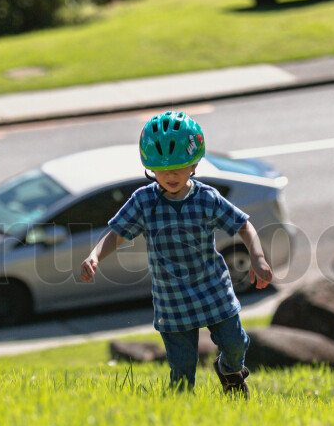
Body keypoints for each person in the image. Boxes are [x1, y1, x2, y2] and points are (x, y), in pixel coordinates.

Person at [79, 111, 273, 397]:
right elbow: (118, 233)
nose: (170, 175)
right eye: (161, 169)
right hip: (173, 299)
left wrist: (257, 257)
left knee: (235, 344)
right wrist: (95, 255)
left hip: (212, 289)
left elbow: (243, 224)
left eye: (179, 167)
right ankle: (180, 412)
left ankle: (230, 372)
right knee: (182, 370)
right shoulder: (144, 201)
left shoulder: (206, 198)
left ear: (194, 164)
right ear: (149, 167)